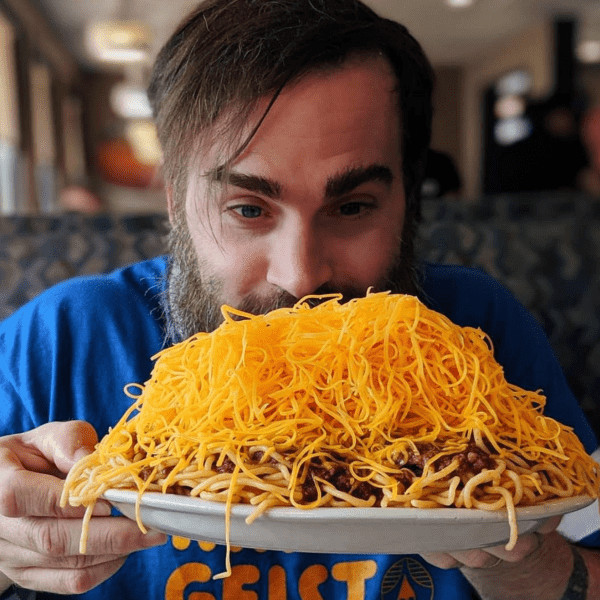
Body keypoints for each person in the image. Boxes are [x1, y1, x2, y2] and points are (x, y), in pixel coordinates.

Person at [0, 0, 598, 598]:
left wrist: (527, 568)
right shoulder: (61, 338)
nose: (301, 276)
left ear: (408, 202)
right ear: (175, 202)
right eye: (248, 209)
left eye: (352, 207)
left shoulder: (478, 336)